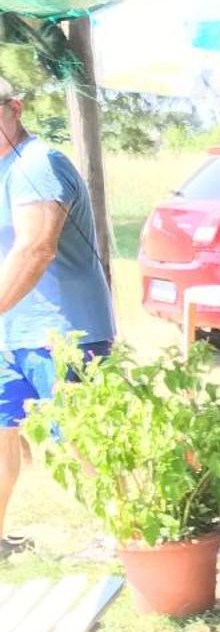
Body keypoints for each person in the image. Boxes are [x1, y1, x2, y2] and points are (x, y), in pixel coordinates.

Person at [0, 74, 116, 558]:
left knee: (81, 439)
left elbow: (36, 248)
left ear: (14, 107)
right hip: (11, 331)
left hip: (64, 332)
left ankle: (121, 533)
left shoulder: (37, 164)